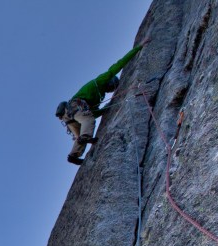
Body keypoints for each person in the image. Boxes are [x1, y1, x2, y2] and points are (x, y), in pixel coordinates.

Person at [57, 37, 150, 165]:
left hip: (69, 117)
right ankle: (85, 137)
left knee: (82, 133)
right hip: (75, 108)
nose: (111, 90)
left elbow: (94, 113)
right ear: (109, 82)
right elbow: (118, 65)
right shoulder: (100, 81)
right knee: (88, 121)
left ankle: (73, 156)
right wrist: (139, 47)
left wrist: (108, 107)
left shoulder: (99, 95)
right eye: (112, 87)